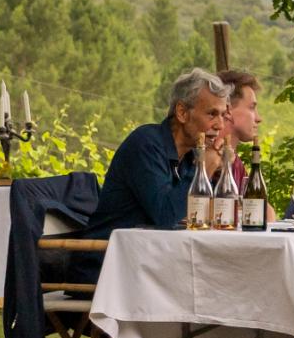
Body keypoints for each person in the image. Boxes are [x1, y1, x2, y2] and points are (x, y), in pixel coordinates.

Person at [80, 68, 226, 237]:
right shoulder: (146, 144)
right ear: (182, 113)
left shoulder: (189, 156)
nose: (220, 125)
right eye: (212, 114)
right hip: (108, 256)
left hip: (152, 255)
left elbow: (208, 216)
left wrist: (218, 175)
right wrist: (204, 168)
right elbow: (166, 216)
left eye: (223, 115)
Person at [216, 66, 261, 189]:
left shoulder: (235, 162)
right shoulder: (205, 158)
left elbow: (260, 205)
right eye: (252, 107)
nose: (258, 118)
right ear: (228, 109)